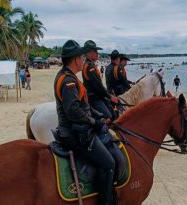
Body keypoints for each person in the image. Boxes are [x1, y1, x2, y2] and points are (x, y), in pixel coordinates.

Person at [53, 40, 116, 205]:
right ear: (76, 60)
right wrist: (94, 123)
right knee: (109, 163)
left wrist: (99, 116)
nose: (83, 60)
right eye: (81, 57)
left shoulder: (68, 76)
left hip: (78, 127)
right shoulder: (69, 81)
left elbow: (84, 105)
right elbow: (73, 112)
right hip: (74, 133)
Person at [82, 40, 118, 120]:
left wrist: (108, 95)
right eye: (95, 51)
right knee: (108, 116)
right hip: (93, 98)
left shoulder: (91, 64)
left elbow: (99, 85)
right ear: (88, 52)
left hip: (97, 95)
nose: (97, 53)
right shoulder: (90, 66)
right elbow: (98, 86)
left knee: (112, 108)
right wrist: (110, 96)